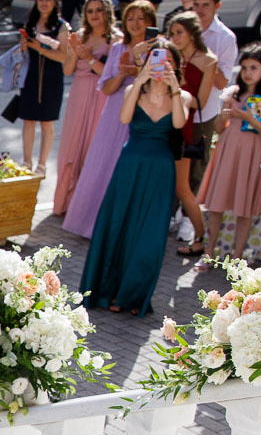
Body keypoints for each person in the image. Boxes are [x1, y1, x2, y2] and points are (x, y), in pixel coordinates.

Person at [81, 40, 194, 315]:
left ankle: (133, 296)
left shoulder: (183, 97)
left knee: (150, 235)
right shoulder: (134, 89)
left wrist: (174, 88)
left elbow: (179, 123)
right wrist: (141, 78)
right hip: (130, 166)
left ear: (175, 66)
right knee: (119, 225)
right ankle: (107, 292)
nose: (161, 66)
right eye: (157, 59)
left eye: (168, 61)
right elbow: (123, 118)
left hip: (160, 170)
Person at [64, 0, 158, 238]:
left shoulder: (159, 49)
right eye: (130, 18)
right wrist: (122, 74)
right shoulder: (117, 48)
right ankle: (91, 223)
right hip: (114, 110)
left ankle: (122, 226)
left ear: (150, 21)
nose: (135, 23)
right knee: (102, 163)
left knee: (127, 167)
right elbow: (106, 88)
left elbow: (158, 83)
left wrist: (137, 68)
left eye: (140, 18)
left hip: (143, 110)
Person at [198, 44, 261, 257]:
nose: (247, 73)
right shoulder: (233, 94)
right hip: (228, 151)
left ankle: (237, 257)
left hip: (254, 153)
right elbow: (218, 129)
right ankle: (209, 252)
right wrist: (223, 116)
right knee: (217, 204)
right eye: (244, 67)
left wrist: (250, 119)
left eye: (253, 68)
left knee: (245, 207)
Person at [54, 0, 118, 218]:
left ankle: (88, 205)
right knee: (72, 146)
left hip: (103, 95)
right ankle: (66, 201)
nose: (94, 15)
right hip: (79, 93)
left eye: (99, 10)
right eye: (90, 11)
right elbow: (67, 70)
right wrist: (74, 52)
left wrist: (90, 57)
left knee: (94, 147)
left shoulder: (116, 40)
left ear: (107, 12)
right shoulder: (79, 35)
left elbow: (112, 76)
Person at [166, 12, 222, 257]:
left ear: (192, 33)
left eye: (179, 32)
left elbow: (201, 101)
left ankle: (201, 238)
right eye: (172, 33)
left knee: (182, 188)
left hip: (185, 126)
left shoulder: (208, 60)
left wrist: (176, 91)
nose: (175, 37)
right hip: (161, 121)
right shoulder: (168, 54)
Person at [14, 0, 69, 171]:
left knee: (47, 121)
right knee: (28, 119)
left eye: (48, 0)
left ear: (54, 3)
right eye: (41, 0)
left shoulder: (61, 26)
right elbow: (23, 54)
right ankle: (27, 162)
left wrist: (40, 49)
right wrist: (24, 46)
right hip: (31, 76)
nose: (44, 3)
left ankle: (42, 163)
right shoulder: (30, 24)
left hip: (51, 78)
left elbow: (63, 56)